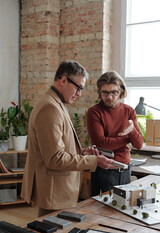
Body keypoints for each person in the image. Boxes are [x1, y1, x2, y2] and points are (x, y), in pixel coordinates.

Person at [20, 60, 116, 217]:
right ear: (63, 80)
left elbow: (59, 147)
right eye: (78, 88)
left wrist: (83, 153)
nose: (79, 94)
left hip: (59, 191)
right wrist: (94, 161)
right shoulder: (50, 108)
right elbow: (55, 158)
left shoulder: (55, 103)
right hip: (55, 193)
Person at [87, 71, 144, 196]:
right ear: (99, 92)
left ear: (121, 92)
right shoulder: (94, 112)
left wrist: (132, 131)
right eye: (105, 92)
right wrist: (128, 137)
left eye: (114, 92)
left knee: (123, 210)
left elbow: (139, 144)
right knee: (100, 211)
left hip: (125, 169)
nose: (110, 97)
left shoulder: (128, 110)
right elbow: (101, 143)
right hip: (103, 170)